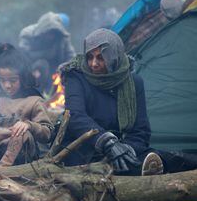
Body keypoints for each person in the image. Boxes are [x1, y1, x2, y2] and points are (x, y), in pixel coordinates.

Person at [58, 28, 157, 175]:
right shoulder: (76, 76)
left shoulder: (133, 82)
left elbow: (141, 130)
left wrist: (126, 150)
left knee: (171, 159)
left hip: (121, 149)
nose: (93, 64)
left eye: (100, 57)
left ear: (114, 57)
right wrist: (107, 142)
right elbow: (75, 116)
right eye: (90, 57)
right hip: (82, 150)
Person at [19, 12, 75, 93]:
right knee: (42, 64)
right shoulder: (28, 35)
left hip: (56, 70)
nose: (51, 36)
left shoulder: (62, 38)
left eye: (53, 33)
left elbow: (70, 56)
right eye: (49, 33)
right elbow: (22, 56)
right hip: (33, 70)